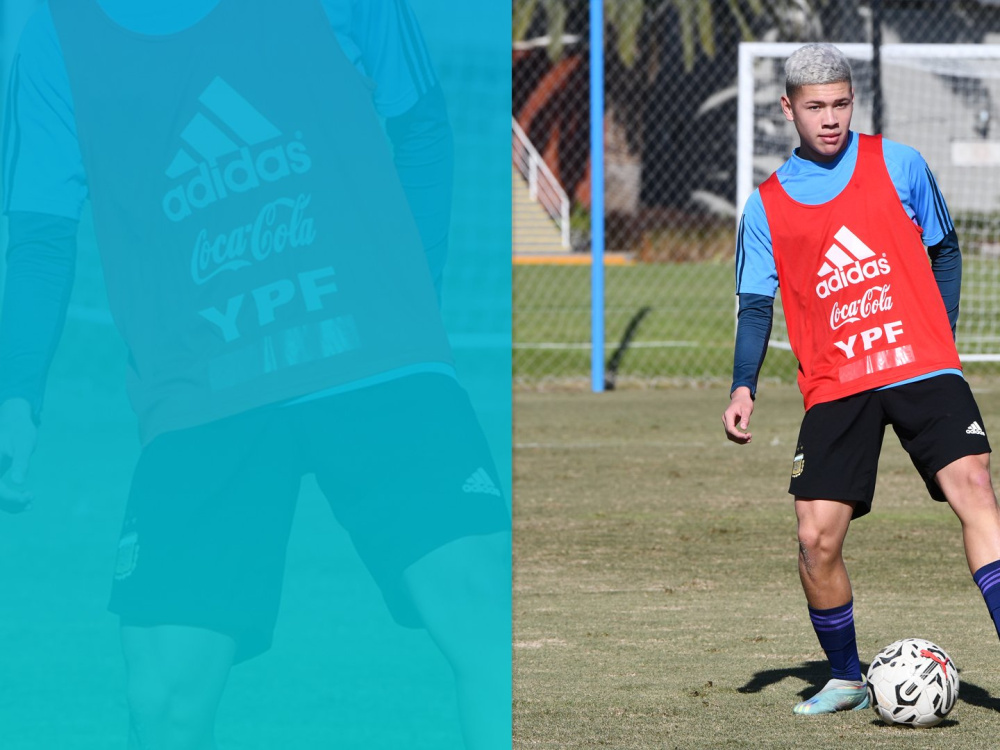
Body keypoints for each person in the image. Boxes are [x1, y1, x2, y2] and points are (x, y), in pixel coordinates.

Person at [0, 1, 510, 748]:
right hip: (197, 387)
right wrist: (17, 399)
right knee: (163, 692)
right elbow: (41, 232)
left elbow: (423, 124)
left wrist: (414, 306)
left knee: (489, 620)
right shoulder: (56, 33)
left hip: (376, 353)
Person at [722, 43, 1000, 715]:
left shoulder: (898, 163)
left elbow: (945, 248)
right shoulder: (764, 206)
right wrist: (743, 384)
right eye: (816, 107)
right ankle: (846, 676)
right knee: (815, 538)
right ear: (788, 108)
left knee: (975, 489)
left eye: (842, 103)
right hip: (836, 379)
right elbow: (756, 303)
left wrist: (943, 339)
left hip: (920, 362)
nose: (831, 119)